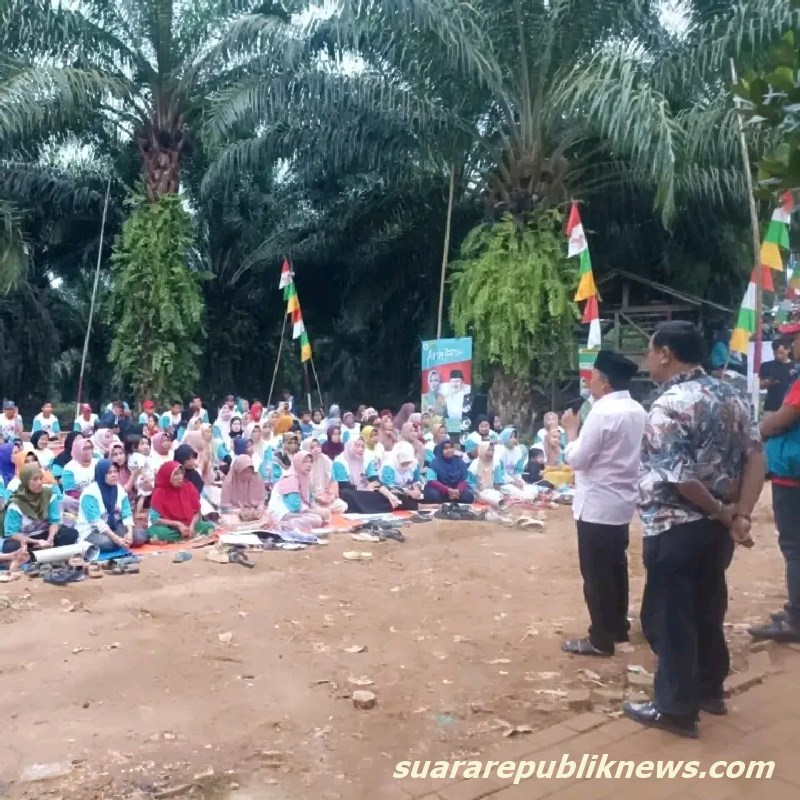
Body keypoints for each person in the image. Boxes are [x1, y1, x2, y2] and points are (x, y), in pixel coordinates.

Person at [623, 321, 763, 738]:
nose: (647, 359)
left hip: (674, 525)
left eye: (650, 351)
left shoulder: (668, 406)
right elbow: (756, 458)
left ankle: (675, 708)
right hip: (715, 533)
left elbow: (680, 478)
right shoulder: (733, 396)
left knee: (670, 617)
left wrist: (723, 512)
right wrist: (741, 516)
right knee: (708, 606)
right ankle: (709, 690)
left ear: (665, 353)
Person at [558, 350, 646, 657]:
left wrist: (570, 431)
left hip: (596, 503)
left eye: (593, 377)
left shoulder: (602, 412)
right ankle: (617, 625)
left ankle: (600, 638)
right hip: (622, 501)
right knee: (616, 567)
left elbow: (579, 459)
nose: (590, 382)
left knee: (596, 573)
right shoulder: (637, 410)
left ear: (605, 382)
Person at [750, 320, 800, 642]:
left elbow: (779, 421)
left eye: (793, 338)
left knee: (794, 548)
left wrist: (763, 426)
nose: (791, 345)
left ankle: (796, 619)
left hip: (793, 476)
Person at [2, 464, 78, 556]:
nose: (39, 482)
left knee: (70, 534)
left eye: (40, 479)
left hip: (45, 534)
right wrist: (36, 542)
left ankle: (39, 552)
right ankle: (41, 553)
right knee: (10, 547)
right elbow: (12, 534)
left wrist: (51, 538)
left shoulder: (49, 495)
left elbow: (55, 521)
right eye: (35, 479)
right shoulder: (15, 504)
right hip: (26, 539)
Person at [77, 459, 146, 551]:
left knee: (139, 536)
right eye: (109, 472)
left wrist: (129, 534)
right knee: (107, 543)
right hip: (92, 530)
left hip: (114, 527)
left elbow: (127, 514)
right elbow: (97, 522)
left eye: (115, 471)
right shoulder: (89, 494)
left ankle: (120, 541)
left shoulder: (119, 489)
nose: (114, 475)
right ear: (101, 474)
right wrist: (116, 539)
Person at [148, 462, 215, 542]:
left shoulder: (189, 487)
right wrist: (178, 524)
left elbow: (196, 512)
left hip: (189, 524)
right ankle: (187, 536)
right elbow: (154, 519)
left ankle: (187, 535)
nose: (180, 477)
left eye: (181, 473)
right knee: (154, 532)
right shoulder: (159, 492)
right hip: (169, 527)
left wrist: (192, 526)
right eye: (176, 474)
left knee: (209, 527)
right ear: (167, 476)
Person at [268, 452, 325, 529]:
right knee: (316, 520)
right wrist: (311, 512)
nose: (309, 465)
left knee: (325, 513)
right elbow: (294, 507)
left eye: (310, 462)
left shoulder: (305, 478)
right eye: (305, 462)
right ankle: (284, 525)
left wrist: (315, 510)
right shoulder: (290, 479)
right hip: (284, 513)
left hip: (298, 511)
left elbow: (310, 501)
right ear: (297, 463)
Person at [301, 439, 347, 515]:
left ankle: (322, 512)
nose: (316, 449)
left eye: (318, 446)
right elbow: (303, 489)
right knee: (309, 507)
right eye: (312, 447)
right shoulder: (302, 464)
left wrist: (331, 496)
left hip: (325, 498)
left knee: (342, 505)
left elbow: (333, 482)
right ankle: (320, 512)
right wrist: (317, 498)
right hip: (310, 500)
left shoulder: (327, 461)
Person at [759, 337, 795, 416]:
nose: (778, 355)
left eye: (781, 352)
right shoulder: (766, 366)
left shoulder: (796, 366)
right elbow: (760, 385)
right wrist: (768, 382)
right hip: (771, 407)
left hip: (791, 408)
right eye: (775, 353)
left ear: (788, 350)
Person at [467, 441, 505, 506]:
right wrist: (479, 493)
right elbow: (471, 483)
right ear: (482, 450)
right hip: (479, 492)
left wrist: (498, 493)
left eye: (492, 450)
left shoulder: (496, 463)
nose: (491, 453)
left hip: (492, 491)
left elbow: (497, 482)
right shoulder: (474, 464)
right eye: (488, 450)